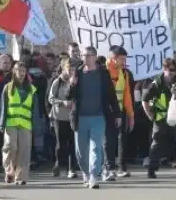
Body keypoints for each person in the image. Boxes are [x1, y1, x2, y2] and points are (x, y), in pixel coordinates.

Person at [67, 46, 119, 189]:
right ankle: (85, 172)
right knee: (81, 151)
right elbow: (68, 96)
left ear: (95, 57)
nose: (86, 58)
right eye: (84, 55)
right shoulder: (77, 73)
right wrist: (71, 85)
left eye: (89, 55)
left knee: (96, 147)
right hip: (80, 117)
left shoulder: (103, 73)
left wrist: (117, 113)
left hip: (98, 116)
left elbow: (111, 94)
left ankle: (93, 176)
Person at [0, 62, 37, 185]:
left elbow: (35, 109)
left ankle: (21, 176)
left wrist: (35, 124)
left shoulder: (31, 88)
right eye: (18, 70)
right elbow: (3, 107)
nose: (21, 73)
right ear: (14, 72)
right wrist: (1, 123)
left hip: (25, 123)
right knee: (11, 147)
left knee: (24, 150)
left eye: (23, 71)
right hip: (11, 122)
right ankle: (9, 171)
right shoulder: (8, 87)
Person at [142, 58, 176, 179]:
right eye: (171, 70)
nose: (173, 72)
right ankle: (151, 169)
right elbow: (144, 100)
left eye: (175, 70)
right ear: (165, 69)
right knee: (156, 144)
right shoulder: (156, 83)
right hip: (161, 118)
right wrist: (150, 115)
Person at [104, 46, 135, 180]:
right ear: (114, 58)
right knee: (108, 140)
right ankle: (109, 168)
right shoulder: (104, 71)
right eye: (122, 59)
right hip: (107, 112)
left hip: (121, 111)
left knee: (122, 139)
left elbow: (127, 95)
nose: (124, 61)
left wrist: (131, 115)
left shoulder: (124, 73)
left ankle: (121, 167)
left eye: (124, 59)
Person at [48, 58, 78, 178]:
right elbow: (51, 99)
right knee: (60, 143)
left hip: (72, 117)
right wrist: (62, 102)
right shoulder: (57, 82)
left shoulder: (76, 81)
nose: (71, 71)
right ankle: (58, 164)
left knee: (72, 143)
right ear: (64, 68)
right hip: (59, 117)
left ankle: (71, 169)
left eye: (73, 69)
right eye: (68, 68)